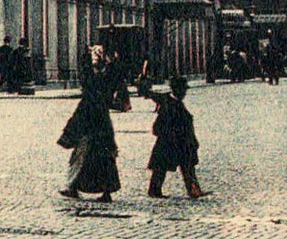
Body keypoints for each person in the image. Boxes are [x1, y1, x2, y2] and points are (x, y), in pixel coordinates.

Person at [58, 47, 121, 202]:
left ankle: (72, 186)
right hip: (101, 122)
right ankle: (103, 191)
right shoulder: (106, 80)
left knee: (82, 155)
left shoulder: (94, 84)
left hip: (90, 122)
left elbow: (86, 77)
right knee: (103, 157)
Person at [136, 76, 208, 199]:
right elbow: (150, 94)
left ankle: (194, 190)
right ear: (177, 90)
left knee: (187, 166)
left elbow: (152, 95)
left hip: (180, 141)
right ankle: (154, 190)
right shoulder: (170, 102)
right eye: (183, 90)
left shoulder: (169, 100)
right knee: (161, 166)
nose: (184, 93)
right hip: (169, 140)